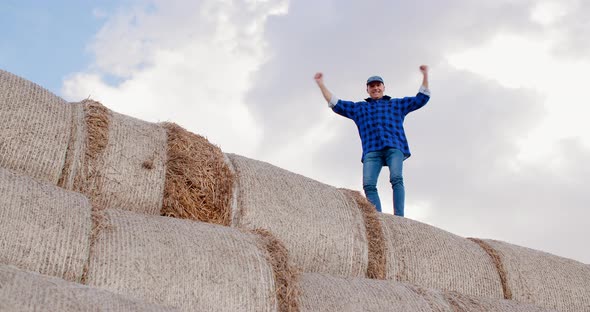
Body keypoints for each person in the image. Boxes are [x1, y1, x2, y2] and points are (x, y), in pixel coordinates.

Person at [313, 66, 430, 216]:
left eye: (378, 85)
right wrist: (321, 84)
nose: (375, 88)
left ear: (383, 87)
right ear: (367, 90)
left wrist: (425, 75)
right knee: (368, 185)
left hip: (394, 147)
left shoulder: (396, 104)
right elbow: (336, 103)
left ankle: (399, 218)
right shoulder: (359, 108)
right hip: (372, 151)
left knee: (396, 178)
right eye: (372, 86)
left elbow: (422, 98)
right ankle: (378, 217)